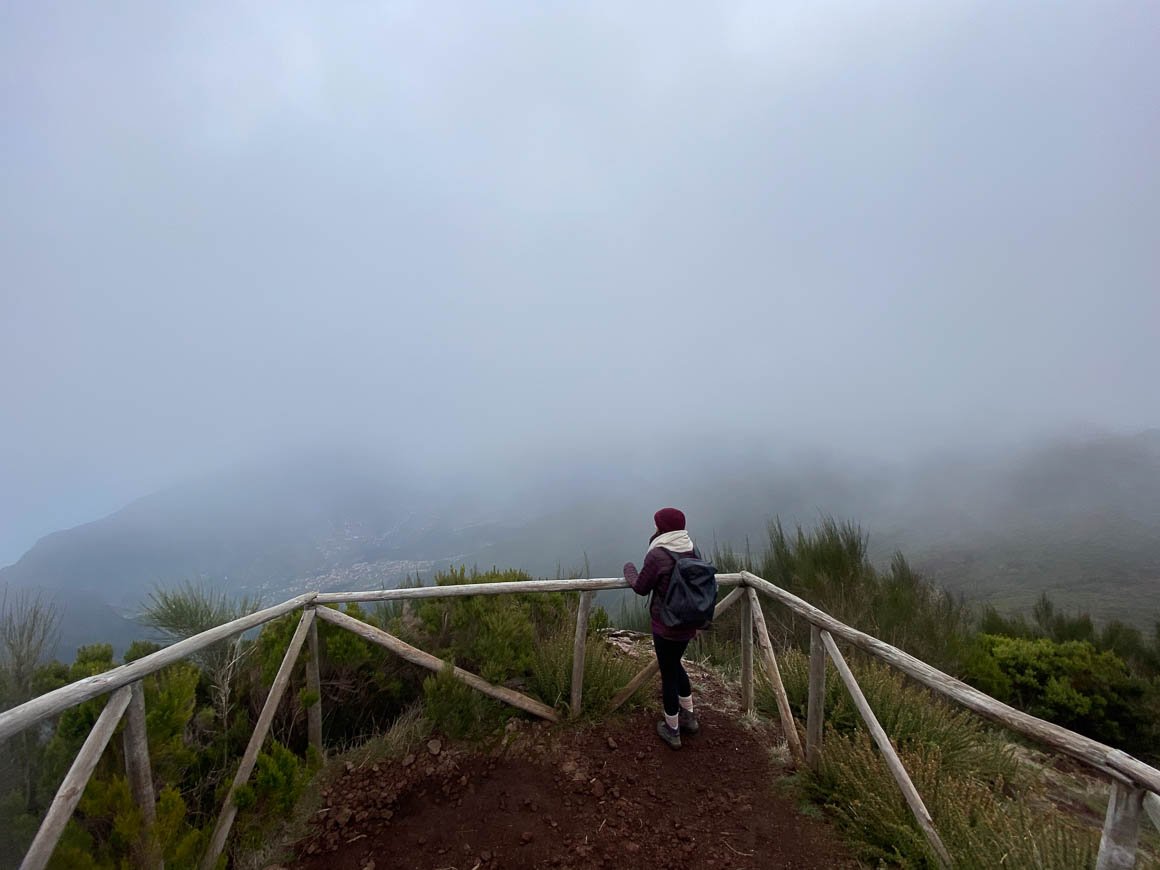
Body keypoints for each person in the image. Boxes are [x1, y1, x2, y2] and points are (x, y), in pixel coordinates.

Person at [623, 507, 701, 750]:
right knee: (676, 664)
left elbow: (641, 587)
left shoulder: (658, 554)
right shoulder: (691, 548)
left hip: (666, 625)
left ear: (662, 527)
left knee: (668, 673)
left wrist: (629, 570)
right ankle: (689, 717)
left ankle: (672, 729)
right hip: (688, 622)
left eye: (657, 524)